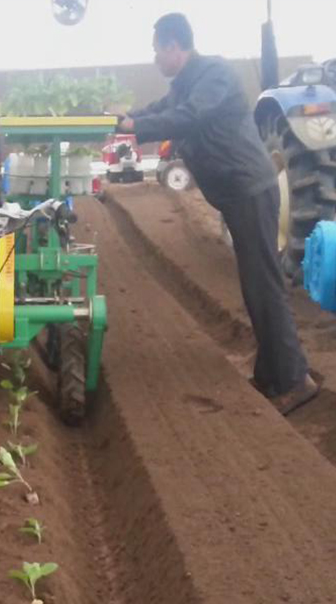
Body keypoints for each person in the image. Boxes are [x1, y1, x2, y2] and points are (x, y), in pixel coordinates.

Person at [119, 13, 318, 415]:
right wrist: (122, 120)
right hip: (237, 195)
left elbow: (189, 116)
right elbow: (162, 108)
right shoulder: (186, 83)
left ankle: (295, 380)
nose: (155, 58)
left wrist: (135, 126)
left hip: (250, 190)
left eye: (157, 49)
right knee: (254, 285)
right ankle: (270, 374)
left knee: (264, 285)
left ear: (175, 46)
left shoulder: (213, 75)